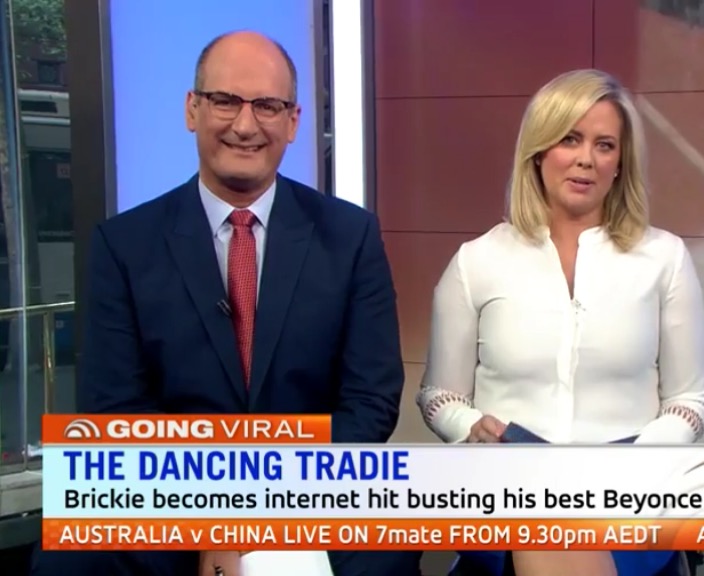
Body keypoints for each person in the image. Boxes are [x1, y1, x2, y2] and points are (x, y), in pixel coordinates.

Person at [31, 31, 419, 576]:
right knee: (69, 554)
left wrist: (261, 511)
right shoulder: (124, 245)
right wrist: (212, 518)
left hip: (314, 491)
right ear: (192, 109)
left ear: (293, 121)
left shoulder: (350, 237)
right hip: (167, 499)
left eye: (267, 106)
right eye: (225, 101)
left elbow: (370, 402)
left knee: (389, 546)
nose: (244, 124)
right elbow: (116, 411)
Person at [417, 69, 704, 576]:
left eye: (604, 145)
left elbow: (691, 401)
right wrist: (469, 426)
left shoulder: (664, 258)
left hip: (630, 488)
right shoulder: (477, 261)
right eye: (570, 139)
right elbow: (437, 395)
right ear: (538, 151)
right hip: (511, 478)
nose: (586, 158)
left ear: (620, 163)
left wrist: (638, 465)